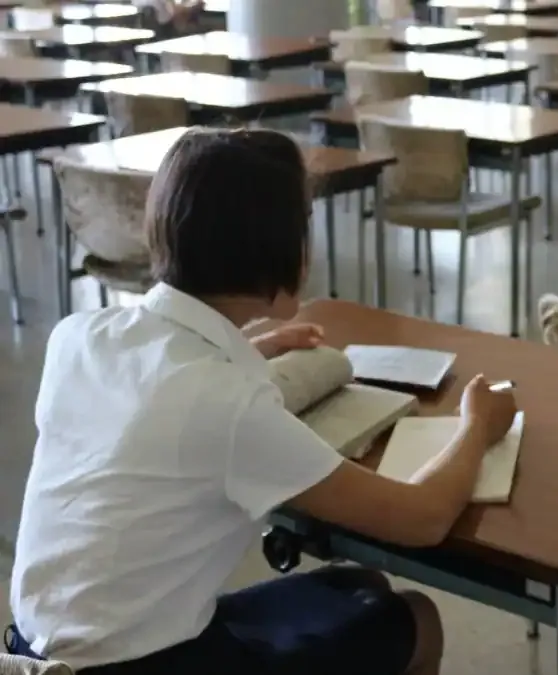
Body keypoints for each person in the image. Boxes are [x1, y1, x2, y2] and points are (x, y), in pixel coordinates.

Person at [5, 128, 517, 675]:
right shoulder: (228, 406)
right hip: (139, 664)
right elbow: (423, 519)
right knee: (416, 618)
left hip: (42, 652)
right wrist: (476, 426)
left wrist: (249, 347)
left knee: (358, 586)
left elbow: (154, 394)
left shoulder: (80, 336)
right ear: (280, 249)